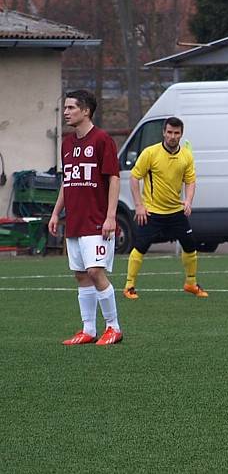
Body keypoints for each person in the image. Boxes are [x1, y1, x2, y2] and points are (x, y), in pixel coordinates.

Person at [49, 90, 123, 345]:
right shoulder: (67, 144)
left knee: (95, 271)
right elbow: (66, 181)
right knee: (81, 274)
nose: (66, 112)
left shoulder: (102, 140)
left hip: (97, 220)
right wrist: (56, 212)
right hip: (75, 220)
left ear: (86, 111)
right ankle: (88, 329)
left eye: (71, 108)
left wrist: (111, 216)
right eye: (66, 108)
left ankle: (113, 327)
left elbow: (114, 177)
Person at [123, 117, 209, 300]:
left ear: (181, 134)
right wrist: (139, 205)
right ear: (163, 132)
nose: (172, 136)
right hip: (152, 212)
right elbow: (134, 177)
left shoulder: (186, 155)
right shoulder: (150, 153)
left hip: (176, 212)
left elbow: (190, 180)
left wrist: (188, 201)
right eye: (169, 132)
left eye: (176, 133)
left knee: (190, 246)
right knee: (140, 246)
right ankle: (129, 286)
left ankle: (191, 283)